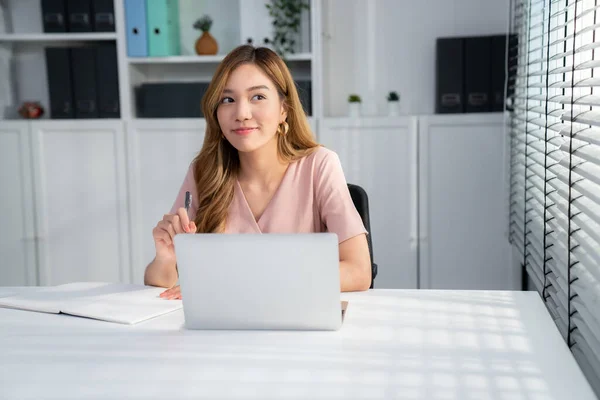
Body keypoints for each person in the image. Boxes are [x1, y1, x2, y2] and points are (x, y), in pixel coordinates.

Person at [144, 45, 372, 299]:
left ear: (284, 109)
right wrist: (165, 259)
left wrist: (248, 284)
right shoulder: (203, 172)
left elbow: (359, 272)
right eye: (227, 100)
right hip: (221, 331)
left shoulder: (320, 165)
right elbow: (164, 285)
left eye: (258, 97)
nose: (241, 113)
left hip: (297, 326)